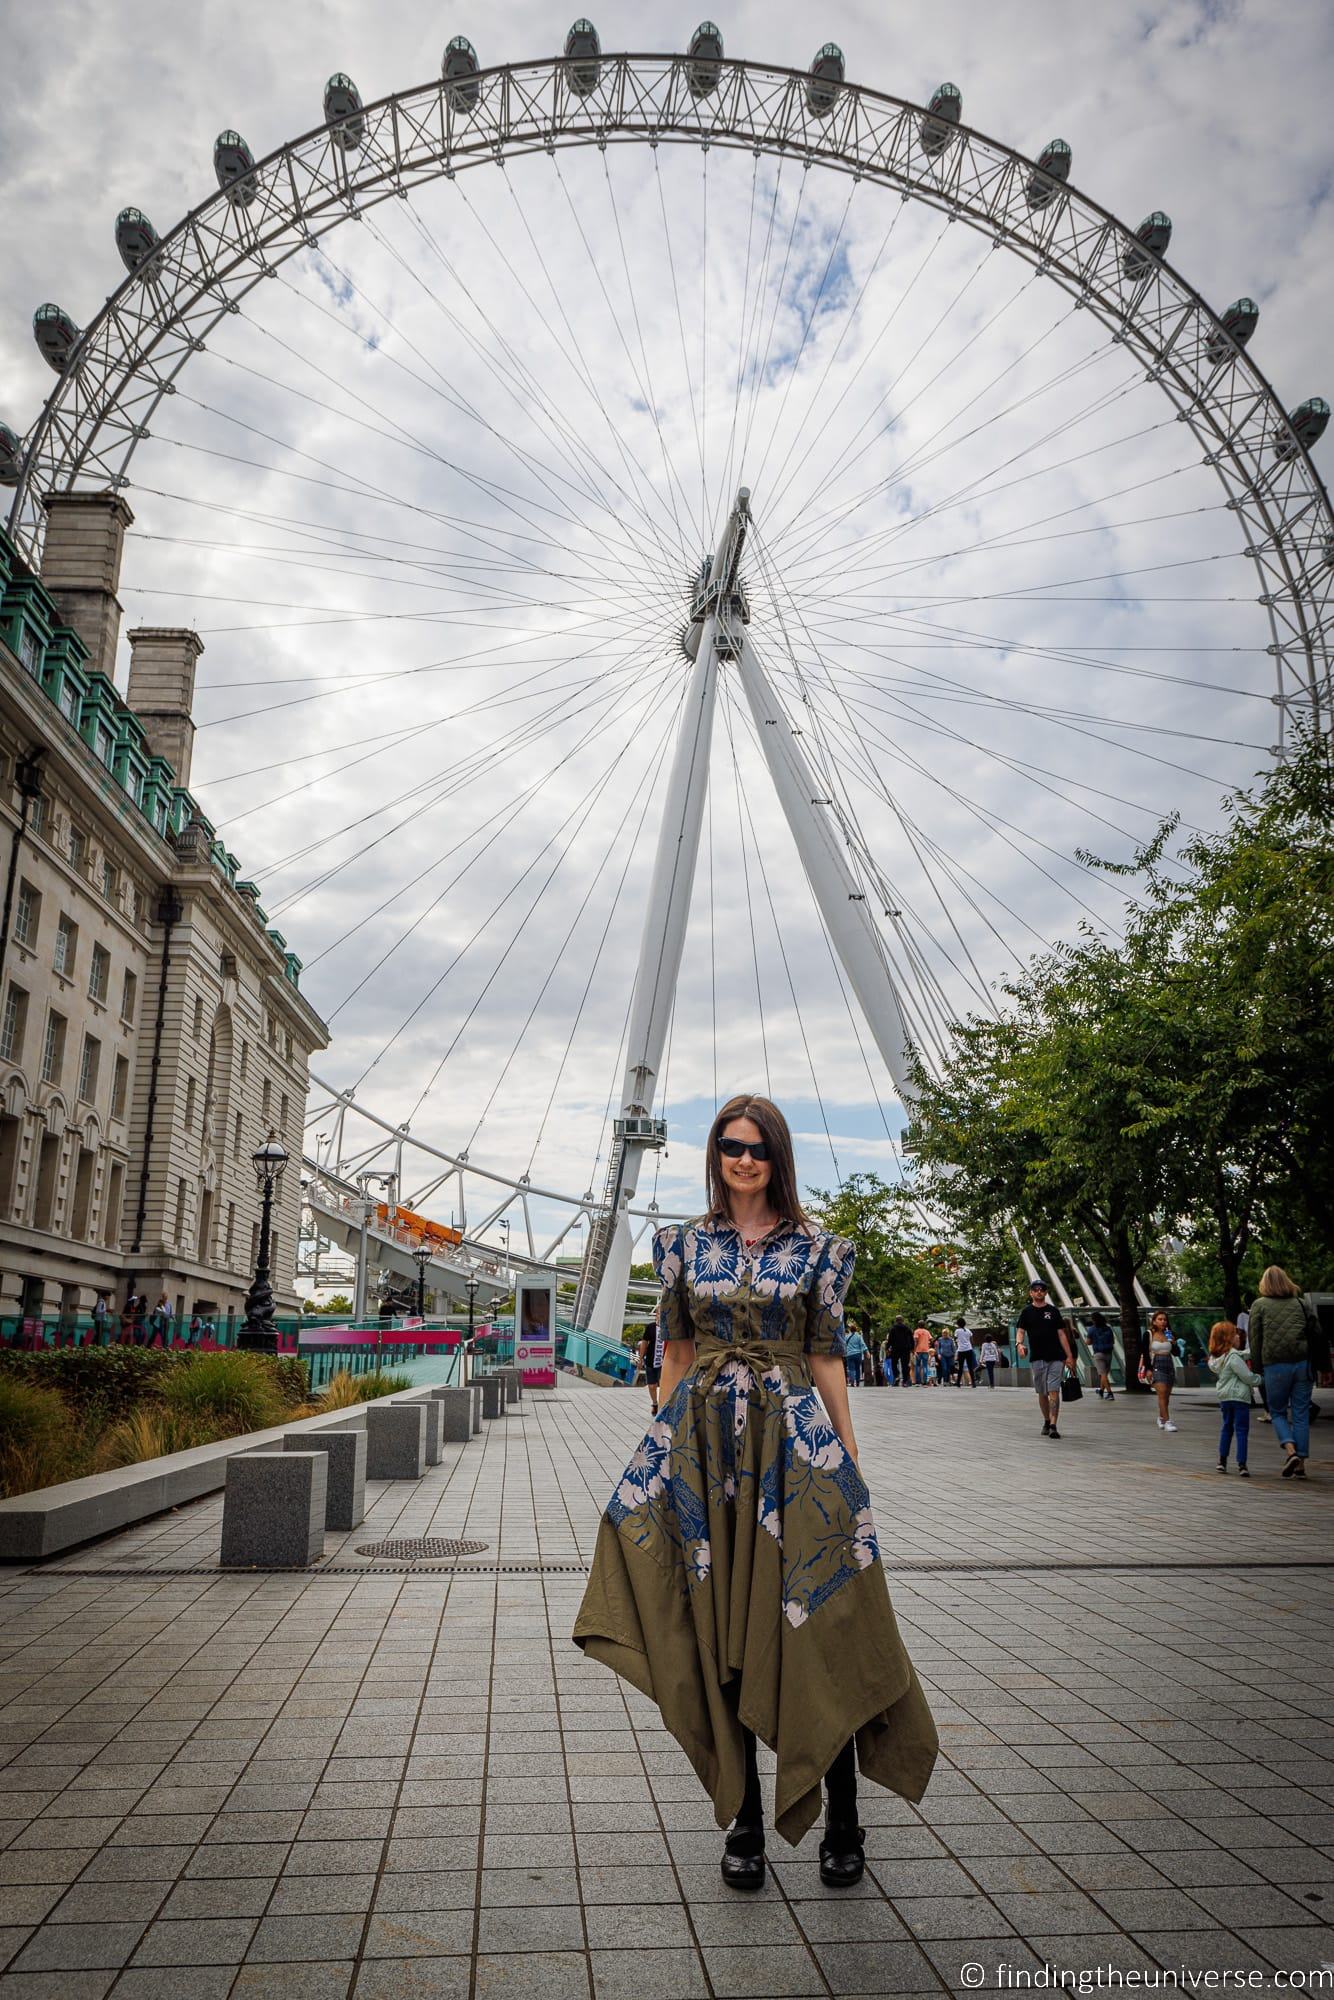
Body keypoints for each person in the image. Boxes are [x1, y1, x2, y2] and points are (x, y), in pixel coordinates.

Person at [573, 1092, 938, 1893]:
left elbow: (829, 1356)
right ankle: (743, 1821)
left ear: (779, 1157)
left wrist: (849, 1459)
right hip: (707, 1450)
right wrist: (662, 1454)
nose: (744, 1159)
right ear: (716, 1154)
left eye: (759, 1148)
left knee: (821, 1619)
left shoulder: (821, 1250)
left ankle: (842, 1814)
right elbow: (673, 1353)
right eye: (731, 1145)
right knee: (722, 1628)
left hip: (795, 1449)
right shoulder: (679, 1246)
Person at [1250, 1265, 1329, 1479]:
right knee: (1301, 1414)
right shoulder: (1301, 1304)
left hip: (1274, 1366)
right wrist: (1322, 1366)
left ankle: (1290, 1450)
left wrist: (1257, 1371)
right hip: (1302, 1364)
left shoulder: (1259, 1306)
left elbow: (1255, 1341)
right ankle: (1301, 1464)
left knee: (1277, 1411)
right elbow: (1318, 1333)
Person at [1015, 1278, 1077, 1439]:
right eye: (1035, 1289)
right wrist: (1019, 1344)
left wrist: (1069, 1356)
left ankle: (1053, 1425)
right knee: (1042, 1392)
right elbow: (1020, 1331)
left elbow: (1062, 1334)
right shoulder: (1026, 1312)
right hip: (1037, 1358)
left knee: (1053, 1390)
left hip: (1056, 1357)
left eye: (1042, 1289)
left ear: (1046, 1292)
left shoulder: (1053, 1311)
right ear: (1031, 1293)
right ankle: (1046, 1419)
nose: (1039, 1292)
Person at [1208, 1322, 1255, 1477]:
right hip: (1240, 1397)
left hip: (1225, 1397)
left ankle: (1222, 1461)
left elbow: (1245, 1354)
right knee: (1242, 1430)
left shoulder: (1216, 1358)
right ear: (1228, 1338)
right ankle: (1242, 1463)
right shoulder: (1234, 1357)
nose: (1238, 1336)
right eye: (1235, 1333)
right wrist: (1261, 1379)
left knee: (1227, 1427)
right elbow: (1247, 1377)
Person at [1146, 1310, 1178, 1433]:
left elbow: (1176, 1353)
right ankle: (1168, 1421)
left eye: (1164, 1319)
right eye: (1160, 1319)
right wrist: (1148, 1369)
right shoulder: (1149, 1334)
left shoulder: (1169, 1334)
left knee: (1166, 1396)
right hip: (1156, 1364)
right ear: (1154, 1321)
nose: (1163, 1322)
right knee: (1162, 1393)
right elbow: (1144, 1352)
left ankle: (1161, 1417)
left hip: (1168, 1363)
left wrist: (1173, 1343)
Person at [636, 1312, 662, 1417]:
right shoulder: (651, 1327)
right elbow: (644, 1343)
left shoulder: (669, 1328)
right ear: (656, 1315)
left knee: (663, 1385)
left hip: (664, 1362)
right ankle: (655, 1403)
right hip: (651, 1360)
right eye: (659, 1313)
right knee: (652, 1386)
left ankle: (663, 1406)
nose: (661, 1315)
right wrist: (641, 1359)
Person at [1085, 1311, 1116, 1400]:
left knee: (1102, 1375)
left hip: (1098, 1354)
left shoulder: (1092, 1329)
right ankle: (1101, 1391)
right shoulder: (1108, 1329)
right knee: (1104, 1374)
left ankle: (1110, 1393)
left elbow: (1088, 1342)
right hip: (1108, 1353)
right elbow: (1113, 1341)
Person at [887, 1316, 914, 1387]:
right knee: (905, 1365)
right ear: (903, 1320)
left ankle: (896, 1376)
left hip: (896, 1348)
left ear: (896, 1320)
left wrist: (887, 1348)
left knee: (894, 1363)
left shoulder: (893, 1329)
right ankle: (905, 1381)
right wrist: (912, 1348)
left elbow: (890, 1339)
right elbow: (911, 1339)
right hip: (905, 1349)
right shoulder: (907, 1328)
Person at [843, 1322, 868, 1389]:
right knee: (857, 1369)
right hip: (858, 1354)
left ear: (850, 1330)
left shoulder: (846, 1336)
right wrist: (866, 1352)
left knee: (851, 1369)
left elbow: (844, 1345)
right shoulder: (859, 1336)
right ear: (856, 1330)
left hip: (849, 1355)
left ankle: (852, 1382)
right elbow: (862, 1344)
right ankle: (857, 1382)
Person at [953, 1318, 977, 1387]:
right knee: (970, 1367)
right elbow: (971, 1340)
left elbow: (955, 1338)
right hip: (969, 1349)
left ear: (958, 1324)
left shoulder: (957, 1330)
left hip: (961, 1350)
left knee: (960, 1367)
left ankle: (958, 1383)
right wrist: (971, 1346)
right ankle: (973, 1383)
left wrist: (958, 1343)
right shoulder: (968, 1330)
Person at [912, 1322, 932, 1386]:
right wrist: (928, 1345)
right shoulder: (927, 1331)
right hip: (926, 1350)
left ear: (918, 1325)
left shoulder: (916, 1331)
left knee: (917, 1366)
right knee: (925, 1366)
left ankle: (918, 1382)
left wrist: (914, 1349)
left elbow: (915, 1341)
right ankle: (925, 1382)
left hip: (918, 1350)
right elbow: (931, 1339)